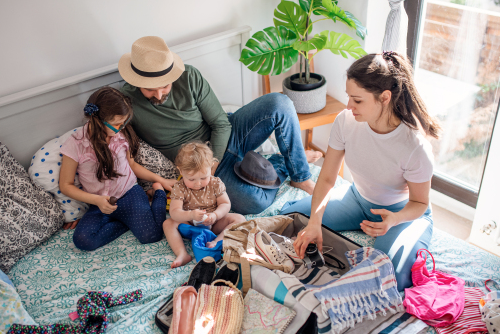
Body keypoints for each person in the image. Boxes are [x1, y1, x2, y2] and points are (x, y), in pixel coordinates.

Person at [281, 51, 440, 291]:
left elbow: (419, 202)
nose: (349, 106)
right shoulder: (346, 121)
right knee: (291, 217)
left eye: (357, 100)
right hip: (357, 199)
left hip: (402, 211)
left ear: (384, 97)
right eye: (349, 97)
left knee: (388, 273)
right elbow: (326, 179)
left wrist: (394, 219)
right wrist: (315, 222)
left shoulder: (414, 146)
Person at [117, 36, 321, 215]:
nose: (160, 95)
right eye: (150, 90)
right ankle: (281, 162)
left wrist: (211, 164)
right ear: (136, 82)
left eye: (165, 86)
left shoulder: (189, 77)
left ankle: (300, 175)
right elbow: (107, 137)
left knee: (280, 103)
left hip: (225, 138)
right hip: (196, 163)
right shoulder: (125, 102)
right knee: (255, 201)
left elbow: (221, 124)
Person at [59, 87, 177, 251]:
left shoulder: (122, 135)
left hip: (129, 193)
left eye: (124, 122)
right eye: (117, 124)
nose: (122, 127)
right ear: (98, 120)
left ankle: (158, 194)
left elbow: (133, 165)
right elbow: (65, 185)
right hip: (98, 202)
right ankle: (125, 222)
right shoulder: (75, 144)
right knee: (83, 241)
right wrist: (96, 201)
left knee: (151, 235)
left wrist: (161, 181)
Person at [164, 142, 245, 268]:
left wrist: (215, 215)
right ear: (180, 170)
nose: (198, 183)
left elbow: (225, 203)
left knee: (239, 219)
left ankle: (216, 242)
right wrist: (190, 215)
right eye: (191, 179)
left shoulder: (215, 183)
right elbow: (174, 211)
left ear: (211, 167)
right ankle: (182, 253)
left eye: (203, 178)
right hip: (190, 224)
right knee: (168, 223)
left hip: (213, 222)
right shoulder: (179, 187)